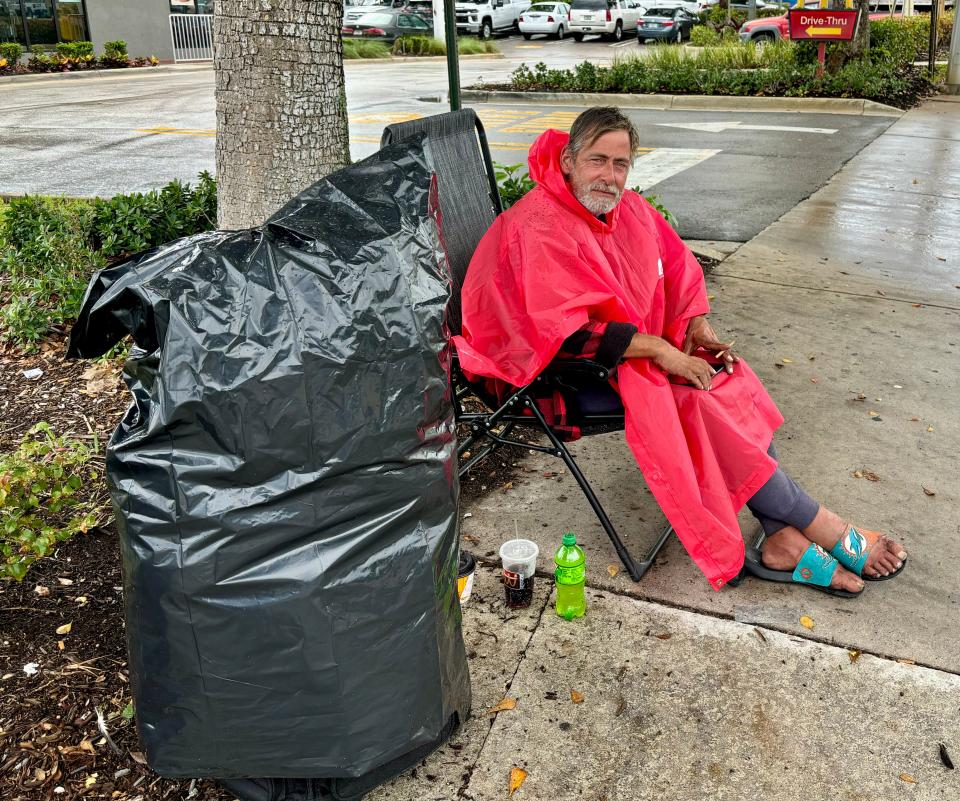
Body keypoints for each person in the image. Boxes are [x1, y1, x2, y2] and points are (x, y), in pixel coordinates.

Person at [451, 107, 907, 595]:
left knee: (723, 376)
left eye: (620, 164)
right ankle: (823, 526)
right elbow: (564, 336)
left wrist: (696, 324)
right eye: (597, 160)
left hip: (615, 355)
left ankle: (781, 537)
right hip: (546, 373)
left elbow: (675, 263)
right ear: (567, 160)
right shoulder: (540, 224)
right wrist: (665, 354)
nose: (609, 176)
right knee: (696, 398)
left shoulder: (619, 209)